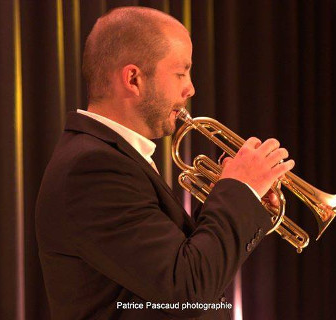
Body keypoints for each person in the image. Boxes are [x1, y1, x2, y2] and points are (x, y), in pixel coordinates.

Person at [35, 6, 295, 320]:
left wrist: (232, 199)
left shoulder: (112, 158)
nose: (191, 88)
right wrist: (239, 192)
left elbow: (176, 272)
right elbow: (187, 289)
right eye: (181, 72)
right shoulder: (92, 167)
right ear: (133, 78)